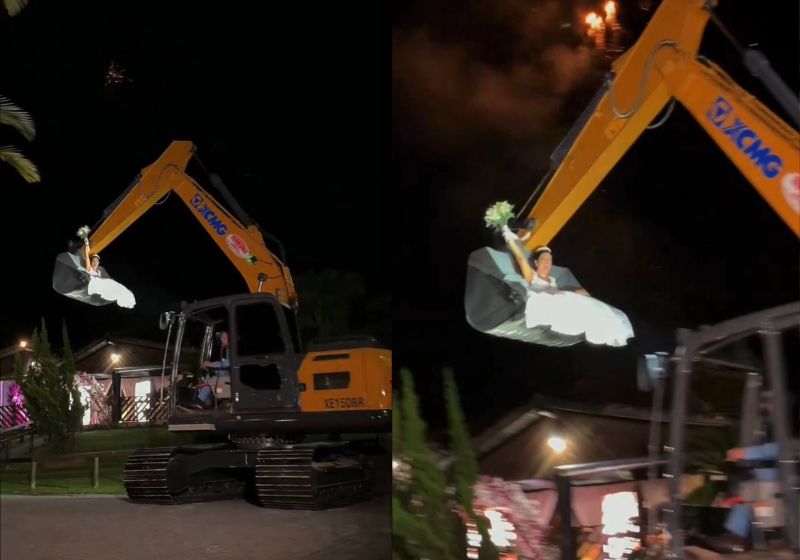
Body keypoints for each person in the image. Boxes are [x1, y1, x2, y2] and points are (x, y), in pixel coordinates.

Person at [501, 226, 634, 347]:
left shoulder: (552, 279)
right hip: (541, 304)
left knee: (586, 297)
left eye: (549, 260)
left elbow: (559, 295)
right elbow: (521, 259)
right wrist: (509, 238)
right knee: (573, 297)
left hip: (558, 303)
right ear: (536, 262)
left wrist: (578, 292)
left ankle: (607, 326)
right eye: (543, 259)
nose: (547, 262)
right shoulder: (532, 275)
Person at [82, 243, 136, 308]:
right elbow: (87, 260)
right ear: (90, 262)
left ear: (98, 263)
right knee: (118, 289)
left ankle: (128, 301)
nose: (94, 263)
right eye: (93, 261)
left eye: (96, 261)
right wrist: (86, 249)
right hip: (96, 284)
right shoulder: (90, 269)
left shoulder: (100, 272)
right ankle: (126, 301)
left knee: (119, 288)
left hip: (106, 287)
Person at [194, 331, 230, 409]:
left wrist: (211, 364)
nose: (221, 339)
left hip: (234, 377)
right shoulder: (227, 349)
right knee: (209, 376)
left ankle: (199, 401)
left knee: (212, 379)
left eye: (224, 337)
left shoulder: (233, 349)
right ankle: (206, 402)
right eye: (221, 338)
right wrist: (210, 365)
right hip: (229, 374)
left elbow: (229, 363)